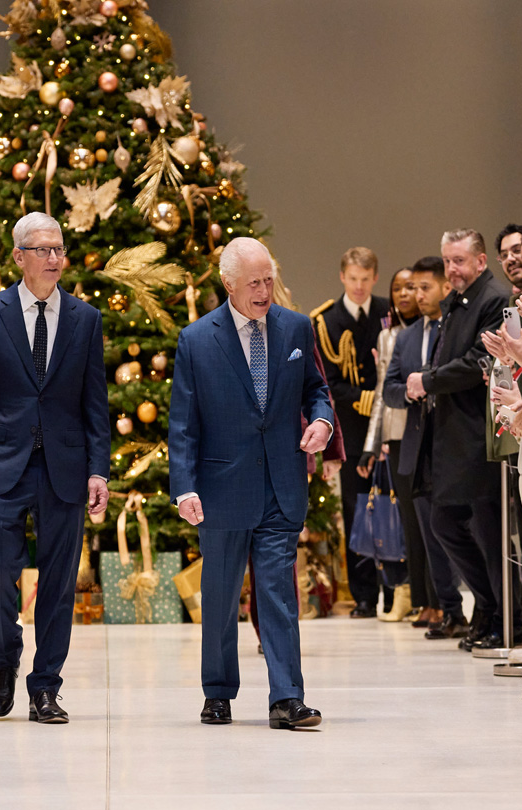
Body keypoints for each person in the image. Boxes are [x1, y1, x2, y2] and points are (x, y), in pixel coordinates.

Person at [169, 236, 333, 730]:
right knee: (220, 596)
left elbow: (317, 390)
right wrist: (185, 486)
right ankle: (218, 692)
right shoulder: (196, 340)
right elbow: (183, 424)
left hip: (281, 485)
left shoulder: (296, 328)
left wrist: (322, 422)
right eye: (254, 283)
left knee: (278, 593)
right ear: (228, 285)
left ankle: (287, 698)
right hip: (221, 489)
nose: (264, 291)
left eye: (268, 279)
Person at [0, 212, 108, 723]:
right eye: (42, 250)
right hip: (0, 463)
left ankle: (46, 687)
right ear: (18, 257)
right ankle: (4, 662)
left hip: (64, 466)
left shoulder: (85, 319)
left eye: (59, 249)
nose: (54, 259)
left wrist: (98, 470)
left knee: (60, 582)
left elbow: (95, 404)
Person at [408, 229, 511, 650]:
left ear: (481, 261)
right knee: (445, 521)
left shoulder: (493, 299)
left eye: (459, 261)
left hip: (479, 433)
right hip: (452, 432)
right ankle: (488, 607)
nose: (452, 269)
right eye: (447, 260)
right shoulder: (457, 301)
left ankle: (506, 617)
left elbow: (478, 363)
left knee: (488, 532)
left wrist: (429, 381)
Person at [383, 257, 467, 638]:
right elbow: (391, 389)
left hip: (453, 441)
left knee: (461, 529)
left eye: (423, 287)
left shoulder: (454, 327)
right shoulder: (406, 336)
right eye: (412, 288)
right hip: (416, 445)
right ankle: (448, 609)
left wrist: (429, 383)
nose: (415, 295)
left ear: (444, 287)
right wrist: (414, 391)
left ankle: (484, 607)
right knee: (427, 532)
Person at [310, 247, 392, 618]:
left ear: (374, 277)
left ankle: (396, 591)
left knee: (392, 506)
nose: (359, 287)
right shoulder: (326, 321)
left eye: (365, 279)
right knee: (357, 508)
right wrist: (363, 397)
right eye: (352, 279)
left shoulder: (388, 312)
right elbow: (326, 380)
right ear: (342, 277)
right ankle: (363, 596)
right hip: (353, 428)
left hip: (389, 427)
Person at [362, 266, 431, 623]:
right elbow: (380, 393)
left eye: (412, 287)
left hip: (427, 431)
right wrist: (372, 444)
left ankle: (435, 597)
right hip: (396, 434)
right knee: (407, 521)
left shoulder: (434, 329)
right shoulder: (387, 336)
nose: (405, 294)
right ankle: (414, 595)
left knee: (431, 520)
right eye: (398, 288)